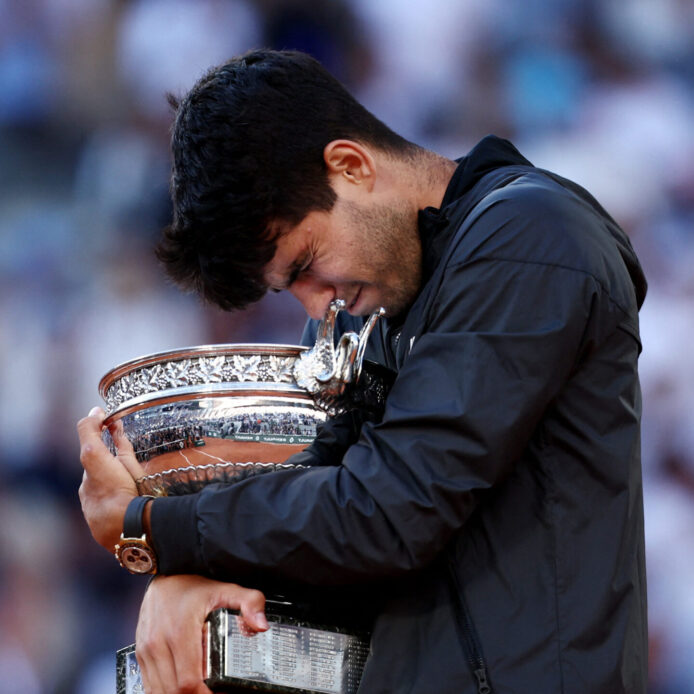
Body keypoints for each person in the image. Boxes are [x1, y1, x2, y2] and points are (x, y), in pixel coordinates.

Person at [78, 49, 648, 694]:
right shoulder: (359, 311)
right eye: (287, 290)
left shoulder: (533, 237)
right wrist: (181, 579)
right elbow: (313, 522)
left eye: (306, 265)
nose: (319, 304)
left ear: (350, 165)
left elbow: (385, 514)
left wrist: (151, 529)